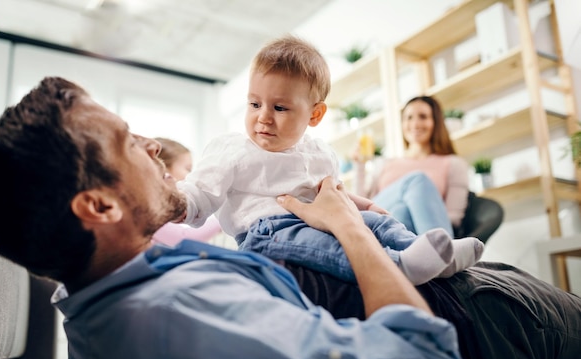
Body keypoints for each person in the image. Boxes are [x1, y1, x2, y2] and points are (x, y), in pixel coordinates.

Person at [0, 77, 581, 359]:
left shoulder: (104, 300)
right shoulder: (177, 321)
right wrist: (344, 224)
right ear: (100, 207)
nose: (151, 145)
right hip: (481, 319)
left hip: (456, 291)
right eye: (125, 142)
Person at [178, 35, 483, 286]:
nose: (263, 117)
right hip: (268, 230)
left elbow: (331, 194)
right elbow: (202, 190)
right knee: (328, 246)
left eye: (280, 108)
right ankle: (398, 267)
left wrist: (364, 206)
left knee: (377, 222)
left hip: (322, 217)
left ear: (315, 114)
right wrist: (180, 202)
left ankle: (433, 253)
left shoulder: (318, 153)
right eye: (255, 103)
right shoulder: (233, 149)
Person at [354, 95, 470, 237]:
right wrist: (359, 165)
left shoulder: (453, 163)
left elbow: (453, 217)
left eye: (423, 116)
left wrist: (414, 212)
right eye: (408, 118)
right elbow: (361, 207)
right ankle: (442, 251)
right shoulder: (385, 163)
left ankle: (431, 252)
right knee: (417, 180)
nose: (415, 124)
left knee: (401, 211)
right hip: (377, 226)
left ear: (436, 122)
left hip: (413, 234)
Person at [151, 137, 222, 246]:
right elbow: (184, 237)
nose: (190, 175)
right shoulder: (150, 204)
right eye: (188, 169)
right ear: (164, 169)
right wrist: (223, 220)